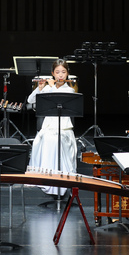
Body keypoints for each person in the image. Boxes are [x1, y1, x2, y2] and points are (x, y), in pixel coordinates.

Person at [27, 59, 78, 197]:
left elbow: (59, 99)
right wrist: (40, 88)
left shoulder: (70, 90)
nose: (60, 75)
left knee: (55, 141)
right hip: (49, 127)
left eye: (63, 72)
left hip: (64, 129)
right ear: (52, 74)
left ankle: (60, 180)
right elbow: (30, 101)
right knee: (42, 140)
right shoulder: (48, 88)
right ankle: (46, 177)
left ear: (67, 74)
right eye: (57, 72)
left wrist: (50, 88)